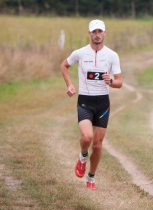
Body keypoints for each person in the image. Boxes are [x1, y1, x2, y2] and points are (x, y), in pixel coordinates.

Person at [60, 19, 123, 190]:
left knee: (97, 144)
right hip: (85, 101)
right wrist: (70, 85)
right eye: (93, 32)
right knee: (87, 137)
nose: (97, 35)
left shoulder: (112, 55)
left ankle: (91, 177)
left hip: (103, 103)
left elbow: (119, 82)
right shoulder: (80, 53)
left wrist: (110, 81)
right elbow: (64, 66)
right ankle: (82, 157)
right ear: (89, 34)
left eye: (99, 32)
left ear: (104, 33)